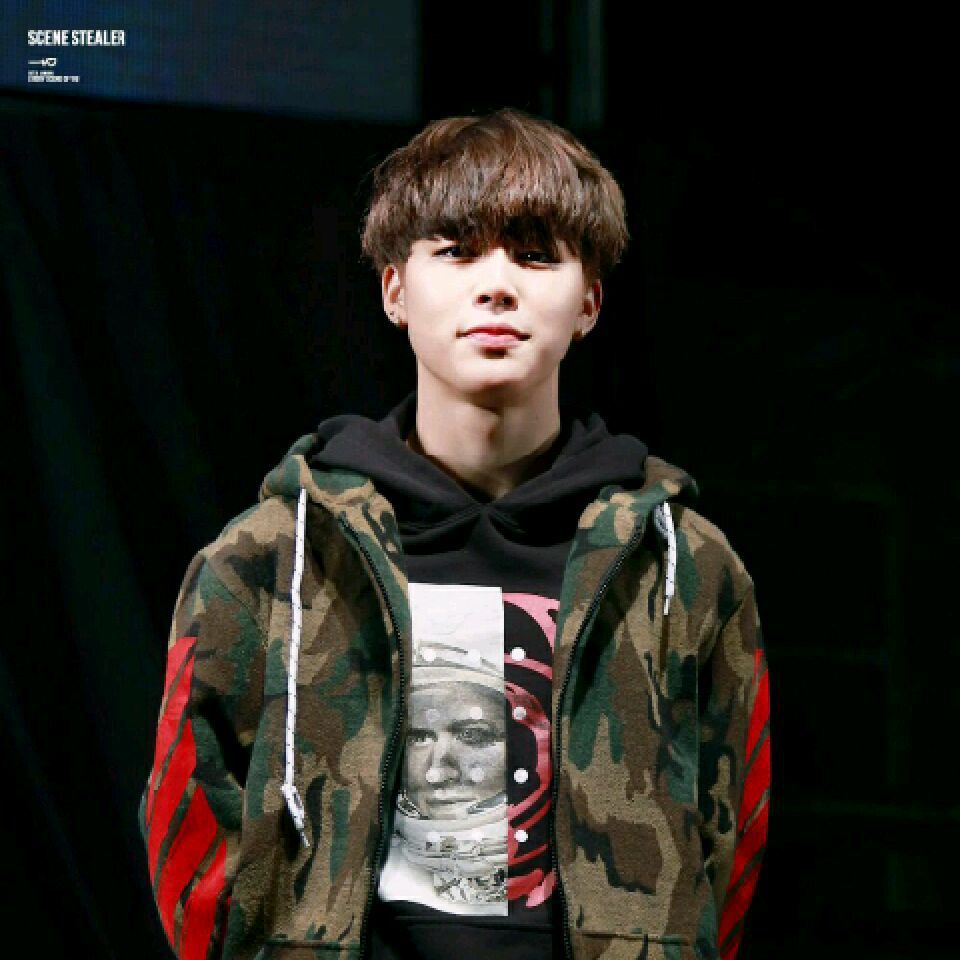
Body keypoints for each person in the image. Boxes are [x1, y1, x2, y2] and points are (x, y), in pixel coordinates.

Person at [140, 108, 770, 960]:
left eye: (535, 254)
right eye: (458, 250)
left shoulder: (684, 564)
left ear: (589, 300)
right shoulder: (269, 557)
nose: (497, 284)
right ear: (395, 290)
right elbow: (186, 818)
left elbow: (733, 835)